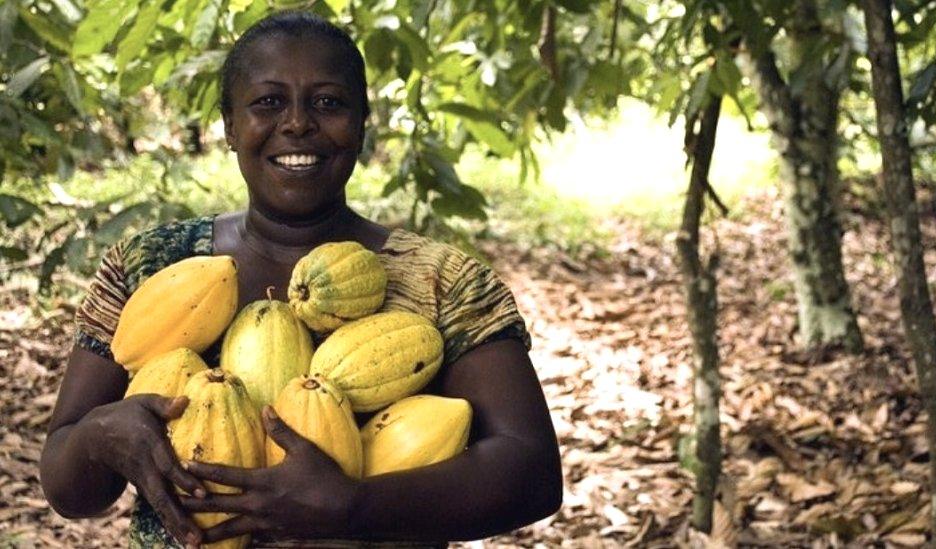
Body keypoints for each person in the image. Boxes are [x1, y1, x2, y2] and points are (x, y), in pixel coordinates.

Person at [39, 11, 562, 548]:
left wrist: (353, 507)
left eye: (328, 102)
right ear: (229, 126)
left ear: (362, 123)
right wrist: (100, 438)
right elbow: (67, 486)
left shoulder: (444, 283)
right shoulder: (148, 265)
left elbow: (533, 474)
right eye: (268, 102)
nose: (297, 124)